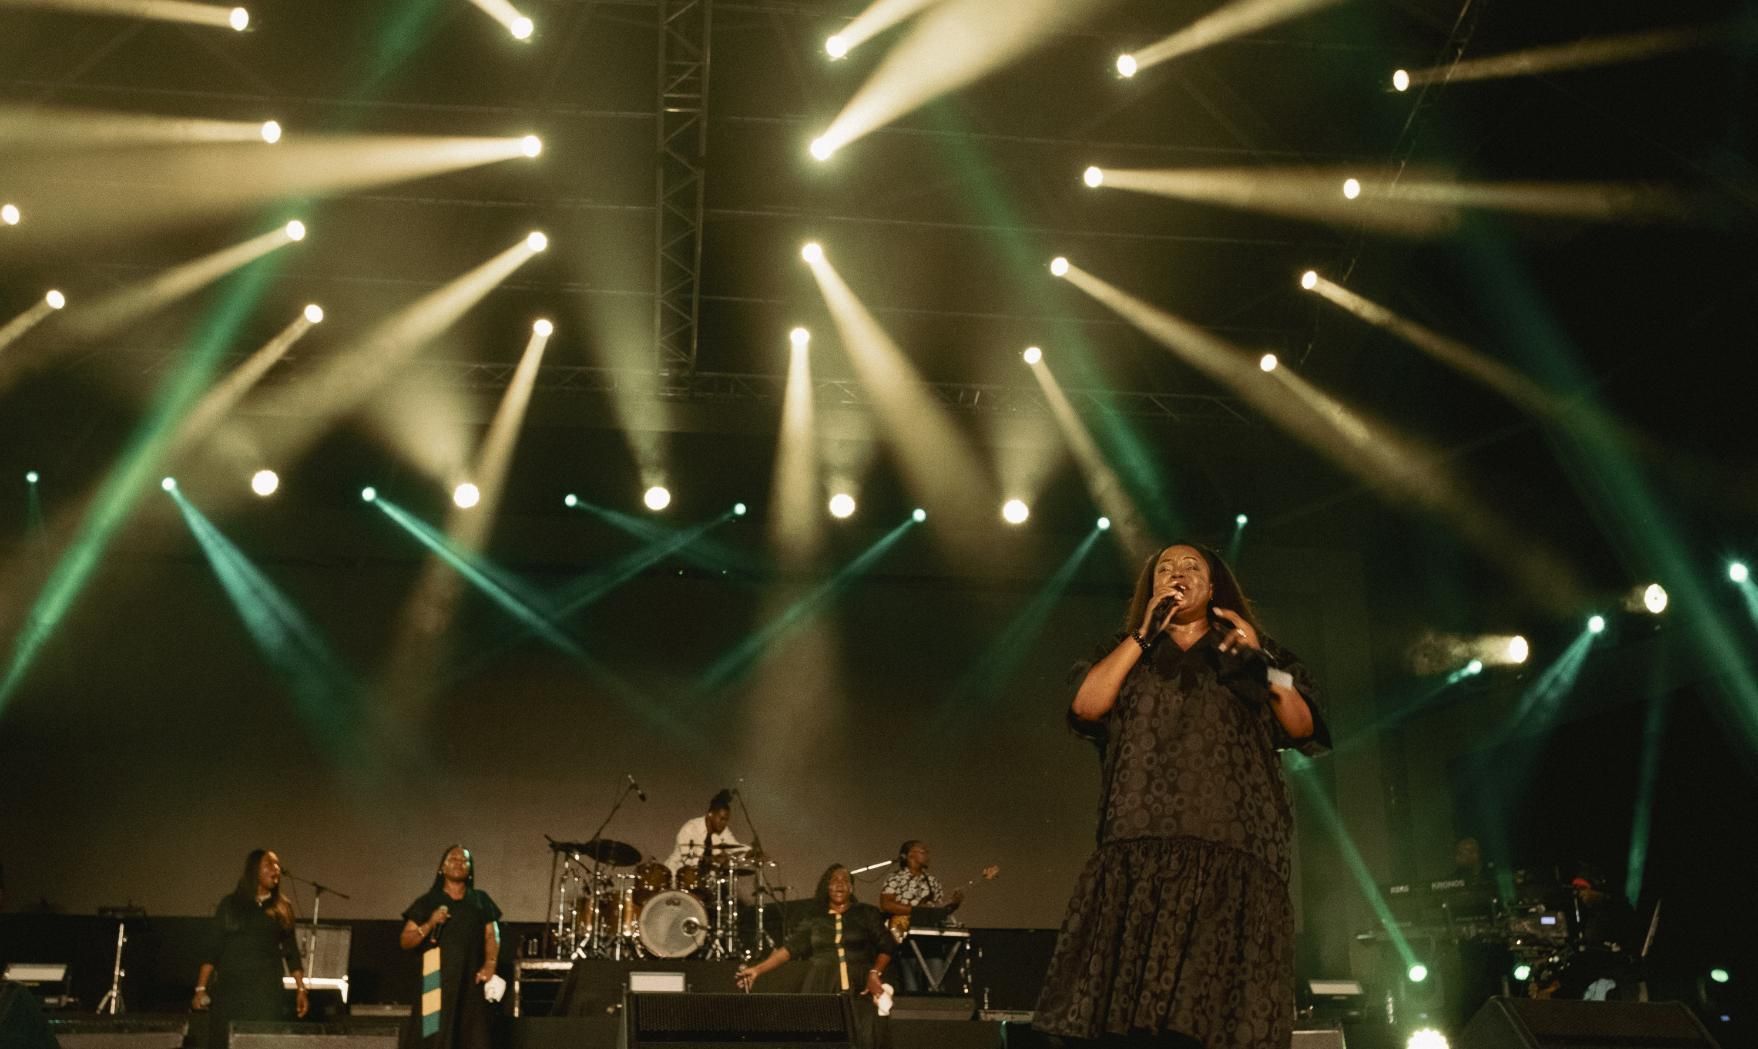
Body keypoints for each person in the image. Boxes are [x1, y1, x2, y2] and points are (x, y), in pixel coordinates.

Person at [1034, 543, 1329, 1048]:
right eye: (1164, 569)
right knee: (1133, 1026)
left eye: (1192, 567)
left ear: (1213, 588)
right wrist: (1141, 637)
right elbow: (1086, 707)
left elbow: (1302, 726)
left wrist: (1260, 664)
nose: (1177, 573)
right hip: (1141, 851)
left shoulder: (1249, 652)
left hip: (1232, 854)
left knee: (1215, 1021)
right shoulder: (1128, 651)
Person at [735, 865, 896, 1049]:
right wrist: (757, 970)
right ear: (827, 887)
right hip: (822, 985)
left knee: (865, 1037)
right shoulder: (815, 918)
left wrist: (875, 972)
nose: (839, 884)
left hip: (860, 986)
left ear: (851, 888)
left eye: (845, 880)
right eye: (834, 880)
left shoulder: (866, 913)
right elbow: (789, 949)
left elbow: (887, 946)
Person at [192, 850, 309, 1049]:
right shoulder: (230, 904)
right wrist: (200, 988)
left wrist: (301, 988)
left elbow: (291, 951)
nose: (276, 869)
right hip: (231, 989)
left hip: (266, 991)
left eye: (277, 865)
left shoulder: (282, 906)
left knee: (261, 1041)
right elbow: (213, 947)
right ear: (254, 870)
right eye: (269, 864)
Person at [399, 846, 502, 1049]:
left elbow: (492, 935)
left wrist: (490, 964)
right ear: (442, 868)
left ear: (470, 869)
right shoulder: (428, 901)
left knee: (471, 1035)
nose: (458, 863)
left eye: (464, 860)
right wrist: (430, 922)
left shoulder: (481, 899)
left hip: (470, 978)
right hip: (433, 979)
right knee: (432, 1035)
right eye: (452, 859)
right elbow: (405, 940)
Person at [880, 841, 962, 992]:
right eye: (923, 851)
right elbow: (886, 904)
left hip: (930, 936)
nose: (927, 854)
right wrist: (916, 910)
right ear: (910, 855)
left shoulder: (932, 881)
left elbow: (938, 909)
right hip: (904, 934)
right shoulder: (896, 878)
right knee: (911, 986)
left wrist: (954, 904)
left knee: (937, 983)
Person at [664, 788, 746, 875]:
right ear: (710, 814)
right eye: (721, 819)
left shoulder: (723, 831)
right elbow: (690, 861)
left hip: (703, 880)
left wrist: (752, 852)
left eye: (726, 820)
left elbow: (736, 848)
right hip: (677, 877)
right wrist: (714, 859)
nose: (724, 823)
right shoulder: (690, 828)